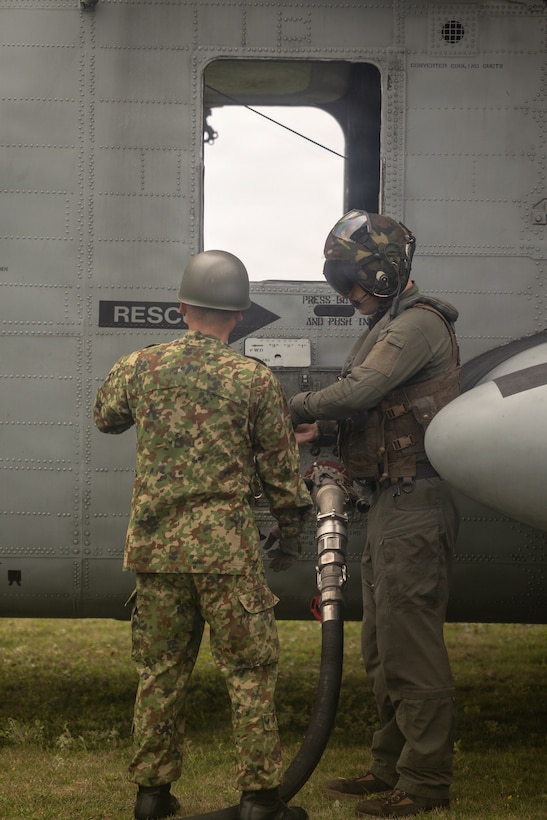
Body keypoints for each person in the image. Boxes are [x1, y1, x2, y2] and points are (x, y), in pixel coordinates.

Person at [93, 250, 313, 820]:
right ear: (238, 317)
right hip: (227, 552)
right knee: (248, 672)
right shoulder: (253, 380)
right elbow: (281, 473)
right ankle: (261, 800)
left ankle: (152, 796)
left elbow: (105, 417)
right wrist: (291, 535)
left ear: (182, 308)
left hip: (157, 550)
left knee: (160, 671)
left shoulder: (140, 366)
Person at [289, 211, 461, 818]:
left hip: (415, 500)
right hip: (392, 499)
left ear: (383, 273)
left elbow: (361, 392)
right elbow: (372, 404)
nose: (348, 295)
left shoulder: (415, 326)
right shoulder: (387, 323)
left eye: (351, 282)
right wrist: (324, 423)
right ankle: (389, 767)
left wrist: (290, 406)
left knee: (410, 644)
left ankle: (424, 783)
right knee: (381, 646)